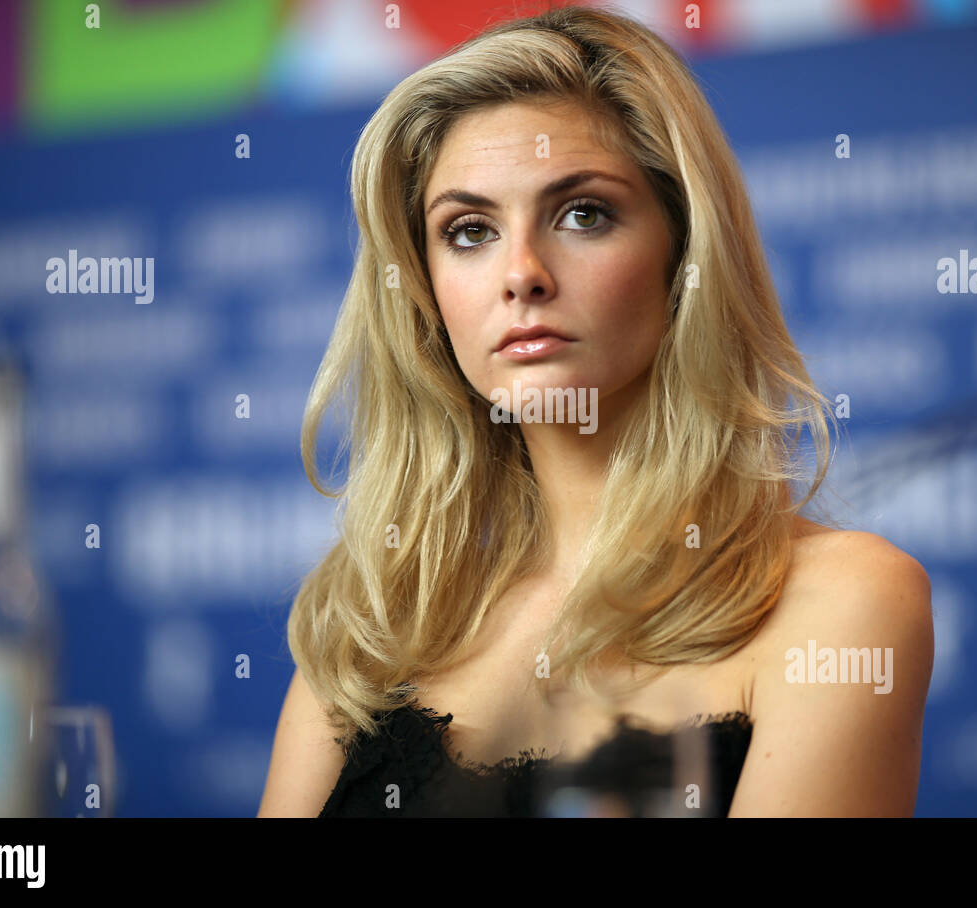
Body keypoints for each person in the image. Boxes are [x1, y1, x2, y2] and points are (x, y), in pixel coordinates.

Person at [258, 4, 932, 818]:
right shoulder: (374, 633)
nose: (522, 274)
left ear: (685, 256)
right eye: (468, 231)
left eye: (583, 213)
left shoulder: (843, 600)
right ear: (424, 291)